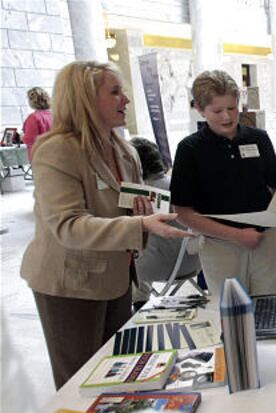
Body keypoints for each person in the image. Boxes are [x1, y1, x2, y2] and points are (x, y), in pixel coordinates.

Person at [19, 61, 193, 389]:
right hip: (70, 284)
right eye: (115, 92)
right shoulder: (57, 150)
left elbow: (123, 206)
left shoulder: (123, 149)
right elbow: (68, 225)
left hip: (116, 277)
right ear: (84, 98)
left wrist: (137, 216)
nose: (126, 99)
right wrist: (138, 223)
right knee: (79, 383)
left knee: (113, 373)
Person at [170, 70, 276, 298]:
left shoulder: (258, 138)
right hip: (220, 245)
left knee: (274, 306)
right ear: (199, 110)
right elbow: (183, 212)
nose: (227, 117)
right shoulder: (190, 149)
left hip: (267, 240)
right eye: (217, 111)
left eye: (232, 108)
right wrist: (235, 235)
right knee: (231, 312)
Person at [130, 137, 201, 309]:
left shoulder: (135, 194)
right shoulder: (180, 186)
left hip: (154, 268)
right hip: (192, 263)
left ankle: (139, 301)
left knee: (130, 252)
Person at [22, 86, 53, 161]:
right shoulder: (55, 115)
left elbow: (29, 139)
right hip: (56, 155)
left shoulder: (34, 118)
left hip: (41, 157)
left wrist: (21, 137)